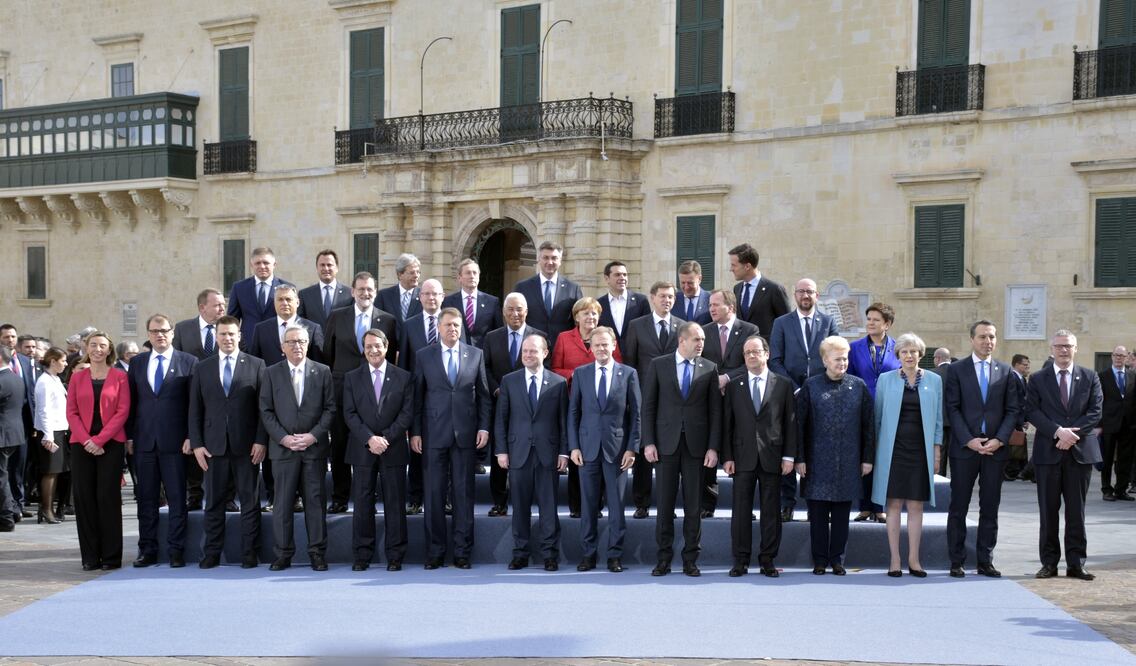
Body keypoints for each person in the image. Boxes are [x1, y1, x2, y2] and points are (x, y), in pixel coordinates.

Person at [409, 308, 492, 570]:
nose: (452, 329)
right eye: (447, 325)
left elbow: (484, 396)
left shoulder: (475, 354)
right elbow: (417, 397)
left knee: (463, 495)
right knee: (433, 494)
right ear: (440, 327)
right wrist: (416, 432)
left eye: (457, 325)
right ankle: (435, 552)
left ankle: (462, 552)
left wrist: (484, 427)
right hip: (433, 434)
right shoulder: (424, 356)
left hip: (466, 435)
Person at [188, 315, 267, 569]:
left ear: (240, 336)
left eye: (232, 334)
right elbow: (195, 410)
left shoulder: (256, 365)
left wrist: (260, 440)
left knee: (250, 502)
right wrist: (198, 444)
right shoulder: (202, 367)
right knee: (213, 502)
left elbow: (263, 409)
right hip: (212, 447)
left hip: (247, 447)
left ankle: (249, 553)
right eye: (222, 334)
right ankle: (211, 553)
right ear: (217, 336)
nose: (227, 338)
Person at [642, 322, 720, 577]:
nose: (701, 344)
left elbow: (715, 413)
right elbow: (649, 407)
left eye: (703, 340)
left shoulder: (709, 368)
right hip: (665, 445)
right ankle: (663, 558)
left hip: (696, 447)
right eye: (696, 339)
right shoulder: (658, 365)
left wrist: (712, 447)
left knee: (693, 506)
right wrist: (649, 442)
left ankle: (690, 559)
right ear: (682, 340)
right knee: (664, 504)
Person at [944, 320, 1021, 578]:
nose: (988, 341)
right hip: (965, 449)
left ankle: (985, 560)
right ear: (972, 339)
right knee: (959, 506)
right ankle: (956, 560)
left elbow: (1013, 410)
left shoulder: (1006, 371)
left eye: (992, 337)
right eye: (982, 337)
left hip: (995, 450)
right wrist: (969, 440)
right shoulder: (956, 370)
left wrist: (999, 439)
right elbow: (952, 408)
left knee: (990, 506)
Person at [1027, 329, 1103, 581]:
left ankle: (1076, 563)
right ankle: (1049, 563)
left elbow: (1095, 412)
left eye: (1068, 346)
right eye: (1059, 346)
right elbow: (1032, 411)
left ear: (1075, 348)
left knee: (1076, 511)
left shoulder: (1090, 377)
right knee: (1048, 511)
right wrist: (1058, 432)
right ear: (1051, 349)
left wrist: (1072, 436)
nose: (1063, 350)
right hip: (1048, 454)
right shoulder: (1038, 379)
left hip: (1079, 454)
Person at [795, 335, 875, 576]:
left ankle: (837, 559)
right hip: (817, 462)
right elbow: (799, 424)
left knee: (841, 516)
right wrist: (799, 458)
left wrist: (867, 458)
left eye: (846, 358)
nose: (843, 362)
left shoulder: (858, 386)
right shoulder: (811, 385)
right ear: (825, 359)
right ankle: (819, 560)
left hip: (848, 461)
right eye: (838, 358)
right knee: (818, 515)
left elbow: (868, 426)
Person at [259, 325, 336, 571]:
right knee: (282, 505)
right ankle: (283, 554)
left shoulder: (322, 371)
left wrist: (313, 436)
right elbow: (266, 410)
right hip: (283, 451)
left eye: (301, 341)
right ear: (282, 347)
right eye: (291, 342)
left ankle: (317, 553)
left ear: (308, 344)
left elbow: (330, 409)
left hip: (313, 450)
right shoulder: (271, 373)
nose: (297, 346)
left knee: (315, 503)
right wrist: (283, 438)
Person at [323, 271, 399, 514]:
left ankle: (369, 496)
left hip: (375, 390)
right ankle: (340, 496)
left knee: (371, 441)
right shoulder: (337, 316)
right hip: (342, 387)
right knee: (340, 442)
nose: (365, 293)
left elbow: (392, 354)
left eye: (369, 290)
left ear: (375, 292)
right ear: (352, 291)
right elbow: (328, 353)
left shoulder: (387, 320)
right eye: (361, 289)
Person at [126, 314, 198, 568]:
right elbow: (132, 403)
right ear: (148, 334)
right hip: (145, 442)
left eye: (164, 330)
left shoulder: (188, 362)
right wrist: (130, 435)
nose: (160, 335)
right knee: (146, 499)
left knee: (178, 499)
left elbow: (194, 405)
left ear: (172, 333)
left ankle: (176, 550)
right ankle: (147, 549)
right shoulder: (137, 363)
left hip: (176, 443)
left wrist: (192, 435)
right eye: (155, 331)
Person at [568, 326, 641, 573]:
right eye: (596, 344)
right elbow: (573, 412)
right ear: (590, 348)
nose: (600, 348)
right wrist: (574, 446)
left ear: (613, 346)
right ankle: (588, 555)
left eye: (605, 344)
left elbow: (636, 415)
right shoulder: (580, 373)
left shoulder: (629, 373)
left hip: (617, 451)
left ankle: (614, 556)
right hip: (586, 450)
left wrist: (632, 448)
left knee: (616, 507)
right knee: (588, 506)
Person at [494, 333, 569, 571]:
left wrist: (564, 453)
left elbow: (563, 421)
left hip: (548, 453)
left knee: (548, 507)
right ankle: (520, 553)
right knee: (520, 507)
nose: (527, 355)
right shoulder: (509, 381)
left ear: (545, 353)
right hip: (518, 453)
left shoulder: (558, 383)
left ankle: (549, 555)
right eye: (525, 351)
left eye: (533, 351)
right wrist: (501, 451)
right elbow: (501, 419)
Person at [723, 335, 796, 577]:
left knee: (771, 511)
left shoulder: (783, 385)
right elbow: (728, 425)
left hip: (772, 456)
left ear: (766, 354)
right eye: (747, 353)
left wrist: (789, 456)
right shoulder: (735, 385)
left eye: (756, 351)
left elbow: (790, 424)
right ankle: (740, 560)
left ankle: (767, 559)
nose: (751, 356)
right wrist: (728, 457)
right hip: (742, 457)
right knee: (740, 511)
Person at [342, 329, 414, 572]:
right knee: (362, 504)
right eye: (368, 346)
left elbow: (406, 414)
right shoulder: (352, 377)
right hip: (363, 449)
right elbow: (349, 414)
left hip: (392, 449)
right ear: (363, 349)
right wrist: (370, 439)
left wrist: (385, 438)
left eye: (377, 346)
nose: (373, 350)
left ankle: (395, 555)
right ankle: (362, 554)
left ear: (386, 347)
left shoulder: (403, 377)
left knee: (395, 503)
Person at [769, 278, 839, 522]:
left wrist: (818, 387)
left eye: (810, 291)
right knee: (789, 447)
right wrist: (796, 388)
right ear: (794, 295)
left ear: (817, 295)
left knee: (814, 449)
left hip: (820, 396)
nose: (805, 296)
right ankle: (787, 503)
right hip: (790, 394)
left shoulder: (828, 322)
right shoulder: (781, 323)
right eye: (801, 292)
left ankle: (814, 504)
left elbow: (835, 353)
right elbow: (775, 360)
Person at [873, 333, 942, 578]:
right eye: (904, 352)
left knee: (915, 506)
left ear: (921, 355)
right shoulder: (885, 380)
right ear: (898, 355)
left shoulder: (934, 380)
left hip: (920, 452)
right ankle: (895, 559)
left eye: (914, 351)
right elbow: (877, 418)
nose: (909, 356)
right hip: (892, 451)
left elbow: (938, 421)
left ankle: (914, 559)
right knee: (892, 505)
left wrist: (936, 451)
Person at [550, 296, 623, 517]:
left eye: (594, 313)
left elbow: (618, 366)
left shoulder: (605, 338)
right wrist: (575, 375)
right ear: (576, 317)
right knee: (577, 454)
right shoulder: (564, 338)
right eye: (586, 313)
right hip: (573, 401)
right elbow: (554, 369)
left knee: (599, 456)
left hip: (601, 406)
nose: (590, 317)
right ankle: (576, 505)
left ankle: (597, 505)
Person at [65, 332, 131, 570]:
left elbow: (122, 412)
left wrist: (100, 440)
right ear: (86, 348)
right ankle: (90, 557)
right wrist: (86, 441)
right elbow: (70, 412)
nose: (98, 349)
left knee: (108, 499)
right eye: (93, 345)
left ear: (109, 349)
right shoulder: (77, 377)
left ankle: (111, 557)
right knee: (84, 500)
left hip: (110, 444)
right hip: (81, 445)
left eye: (102, 345)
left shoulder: (120, 377)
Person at [621, 281, 684, 520]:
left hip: (673, 400)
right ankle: (642, 503)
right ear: (652, 298)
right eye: (662, 296)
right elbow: (630, 361)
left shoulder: (682, 327)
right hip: (644, 397)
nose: (667, 300)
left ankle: (667, 505)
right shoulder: (637, 326)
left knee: (669, 453)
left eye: (670, 297)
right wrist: (632, 394)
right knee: (644, 451)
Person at [482, 292, 547, 517]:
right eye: (510, 309)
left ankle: (532, 501)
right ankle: (500, 501)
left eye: (519, 309)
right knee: (499, 452)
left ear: (526, 312)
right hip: (500, 401)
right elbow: (485, 368)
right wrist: (496, 388)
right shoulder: (491, 337)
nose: (515, 314)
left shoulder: (539, 336)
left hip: (530, 406)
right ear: (503, 313)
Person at [699, 289, 758, 517]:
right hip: (710, 399)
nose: (711, 309)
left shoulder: (749, 330)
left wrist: (727, 377)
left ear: (730, 307)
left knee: (740, 452)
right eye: (710, 305)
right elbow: (700, 363)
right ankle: (707, 504)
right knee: (710, 450)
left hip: (739, 397)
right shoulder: (705, 331)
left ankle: (743, 507)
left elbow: (753, 362)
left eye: (716, 305)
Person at [397, 278, 446, 515]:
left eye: (435, 294)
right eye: (426, 294)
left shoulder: (452, 323)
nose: (431, 298)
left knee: (447, 450)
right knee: (416, 447)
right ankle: (415, 498)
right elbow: (405, 363)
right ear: (420, 297)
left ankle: (445, 498)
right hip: (418, 395)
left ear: (442, 297)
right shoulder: (409, 325)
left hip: (445, 397)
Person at [847, 302, 900, 523]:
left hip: (888, 409)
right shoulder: (855, 347)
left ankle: (879, 507)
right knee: (864, 457)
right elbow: (848, 376)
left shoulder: (897, 347)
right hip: (861, 408)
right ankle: (864, 507)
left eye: (876, 320)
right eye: (868, 319)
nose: (870, 323)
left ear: (887, 324)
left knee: (882, 459)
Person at [514, 241, 584, 352]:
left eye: (554, 258)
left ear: (560, 261)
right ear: (538, 259)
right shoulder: (522, 288)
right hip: (532, 349)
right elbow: (516, 319)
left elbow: (579, 321)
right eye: (545, 258)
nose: (550, 262)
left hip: (563, 350)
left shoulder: (573, 288)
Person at [226, 246, 292, 345]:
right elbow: (232, 320)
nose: (262, 266)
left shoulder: (288, 288)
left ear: (274, 264)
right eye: (257, 263)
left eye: (266, 263)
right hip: (248, 345)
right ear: (251, 265)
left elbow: (292, 318)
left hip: (278, 344)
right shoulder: (239, 288)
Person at [34, 348, 70, 524]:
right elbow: (43, 410)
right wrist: (48, 435)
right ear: (53, 361)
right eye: (63, 360)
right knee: (50, 472)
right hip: (50, 431)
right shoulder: (44, 382)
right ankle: (46, 510)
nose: (65, 364)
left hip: (59, 429)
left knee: (56, 472)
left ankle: (48, 509)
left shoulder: (55, 379)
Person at [249, 284, 325, 365]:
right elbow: (255, 362)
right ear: (274, 303)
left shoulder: (313, 329)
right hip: (270, 377)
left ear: (297, 302)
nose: (284, 303)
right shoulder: (261, 329)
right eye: (280, 299)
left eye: (288, 299)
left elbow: (318, 363)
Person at [728, 243, 790, 337]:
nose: (731, 269)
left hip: (766, 348)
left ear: (747, 266)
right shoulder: (737, 289)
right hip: (742, 349)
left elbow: (786, 323)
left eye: (734, 265)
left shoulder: (774, 289)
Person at [1098, 345, 1134, 502]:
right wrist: (1098, 425)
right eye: (1116, 355)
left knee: (1126, 458)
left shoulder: (1133, 376)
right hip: (1109, 423)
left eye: (1122, 356)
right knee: (1107, 458)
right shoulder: (1102, 376)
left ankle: (1121, 489)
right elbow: (1098, 402)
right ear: (1112, 356)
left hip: (1129, 424)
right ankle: (1106, 489)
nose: (1119, 358)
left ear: (1127, 358)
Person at [442, 258, 502, 349]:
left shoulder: (492, 302)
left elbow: (498, 332)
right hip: (458, 353)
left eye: (475, 273)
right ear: (459, 278)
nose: (472, 276)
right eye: (468, 273)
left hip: (484, 355)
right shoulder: (448, 302)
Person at [0, 346, 25, 533]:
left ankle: (7, 517)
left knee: (1, 478)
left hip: (3, 435)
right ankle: (11, 512)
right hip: (12, 434)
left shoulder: (3, 380)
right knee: (4, 476)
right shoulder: (15, 378)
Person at [297, 249, 353, 329]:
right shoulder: (304, 294)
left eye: (329, 265)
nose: (326, 268)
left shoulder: (349, 294)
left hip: (339, 341)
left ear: (337, 268)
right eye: (322, 265)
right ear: (317, 268)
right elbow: (301, 323)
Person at [597, 260, 650, 344]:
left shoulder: (641, 301)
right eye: (617, 275)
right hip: (609, 354)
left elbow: (647, 330)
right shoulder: (599, 304)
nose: (622, 278)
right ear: (607, 279)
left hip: (635, 354)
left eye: (625, 275)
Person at [172, 288, 227, 360]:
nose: (222, 309)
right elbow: (175, 359)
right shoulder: (182, 329)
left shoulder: (230, 329)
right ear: (202, 307)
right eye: (217, 305)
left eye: (223, 305)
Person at [375, 253, 422, 327]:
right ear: (400, 274)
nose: (416, 276)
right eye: (412, 272)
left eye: (418, 272)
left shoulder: (424, 295)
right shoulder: (384, 296)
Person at [1007, 353, 1033, 481]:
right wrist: (1020, 420)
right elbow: (1014, 401)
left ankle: (1020, 469)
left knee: (1018, 442)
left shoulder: (1022, 379)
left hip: (1020, 417)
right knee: (1014, 443)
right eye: (1025, 365)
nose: (1027, 368)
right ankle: (1011, 470)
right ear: (1016, 364)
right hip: (1014, 417)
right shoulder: (1012, 377)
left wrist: (1025, 418)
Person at [674, 260, 711, 325]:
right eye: (683, 283)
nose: (686, 287)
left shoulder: (710, 299)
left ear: (699, 279)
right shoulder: (674, 300)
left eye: (690, 283)